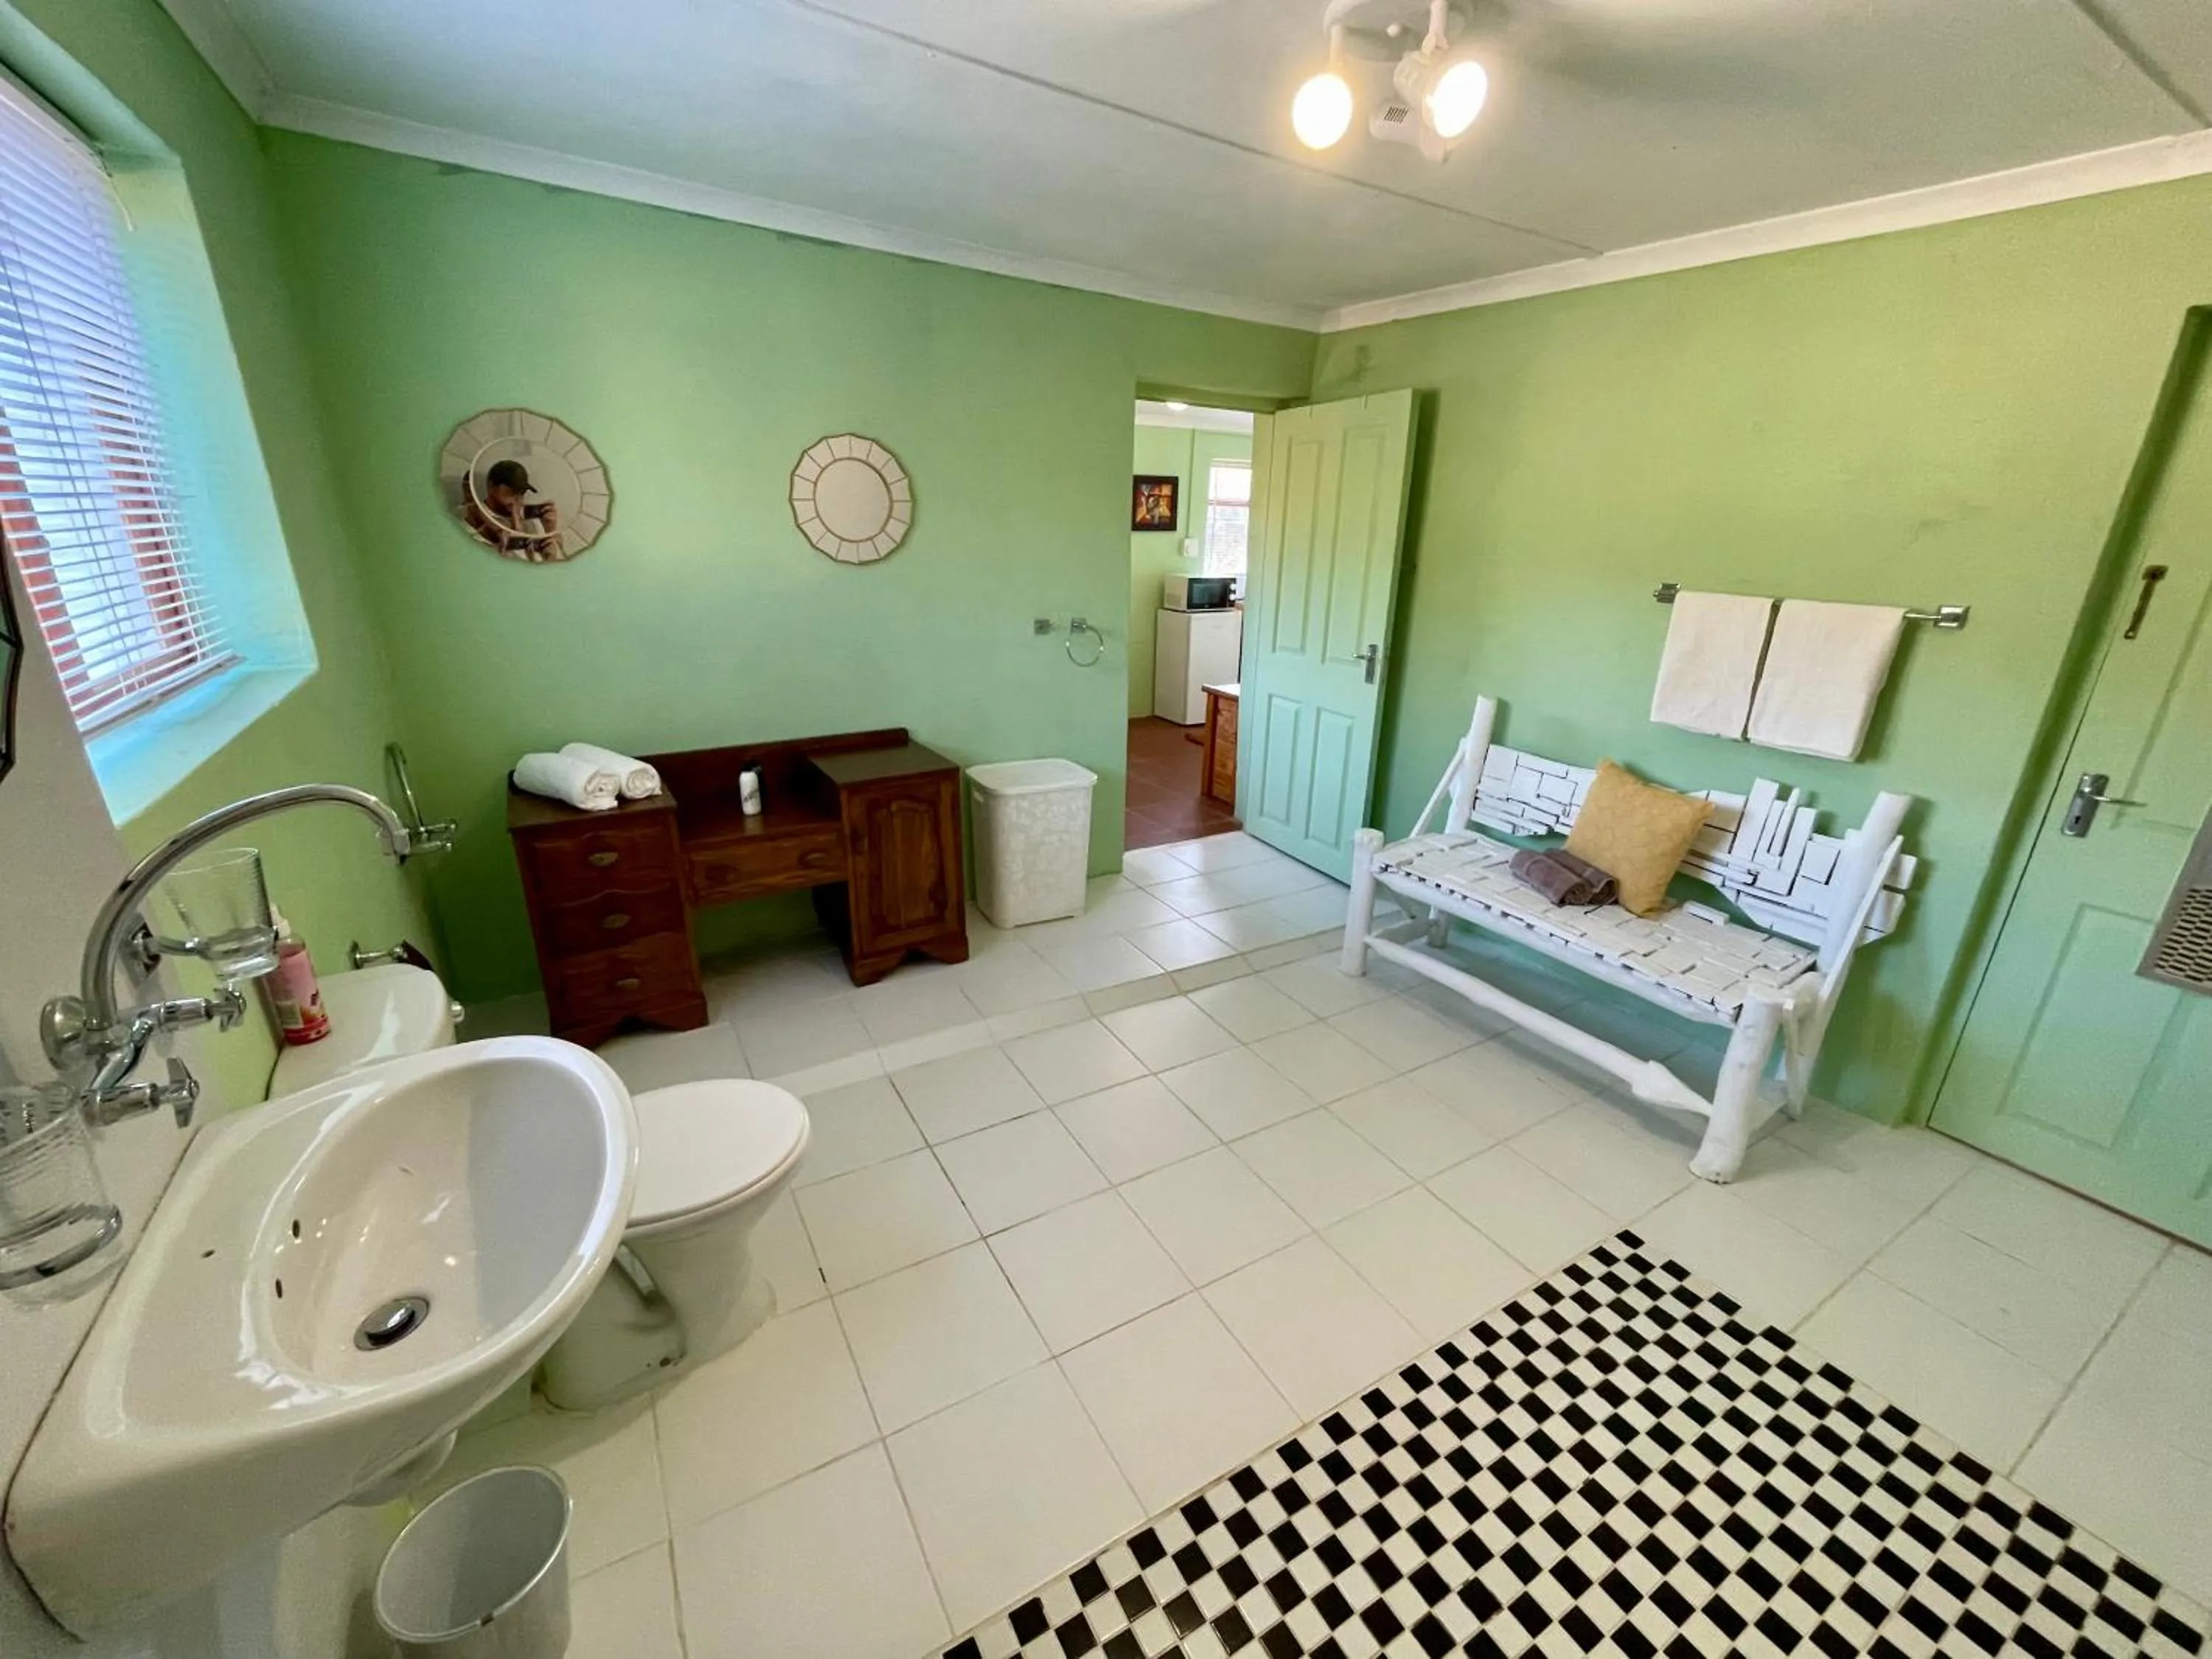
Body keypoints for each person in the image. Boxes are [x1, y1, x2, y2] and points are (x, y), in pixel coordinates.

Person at [463, 457, 563, 559]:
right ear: (492, 486)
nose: (517, 498)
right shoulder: (476, 521)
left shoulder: (532, 523)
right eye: (512, 490)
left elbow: (556, 566)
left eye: (522, 492)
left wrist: (551, 530)